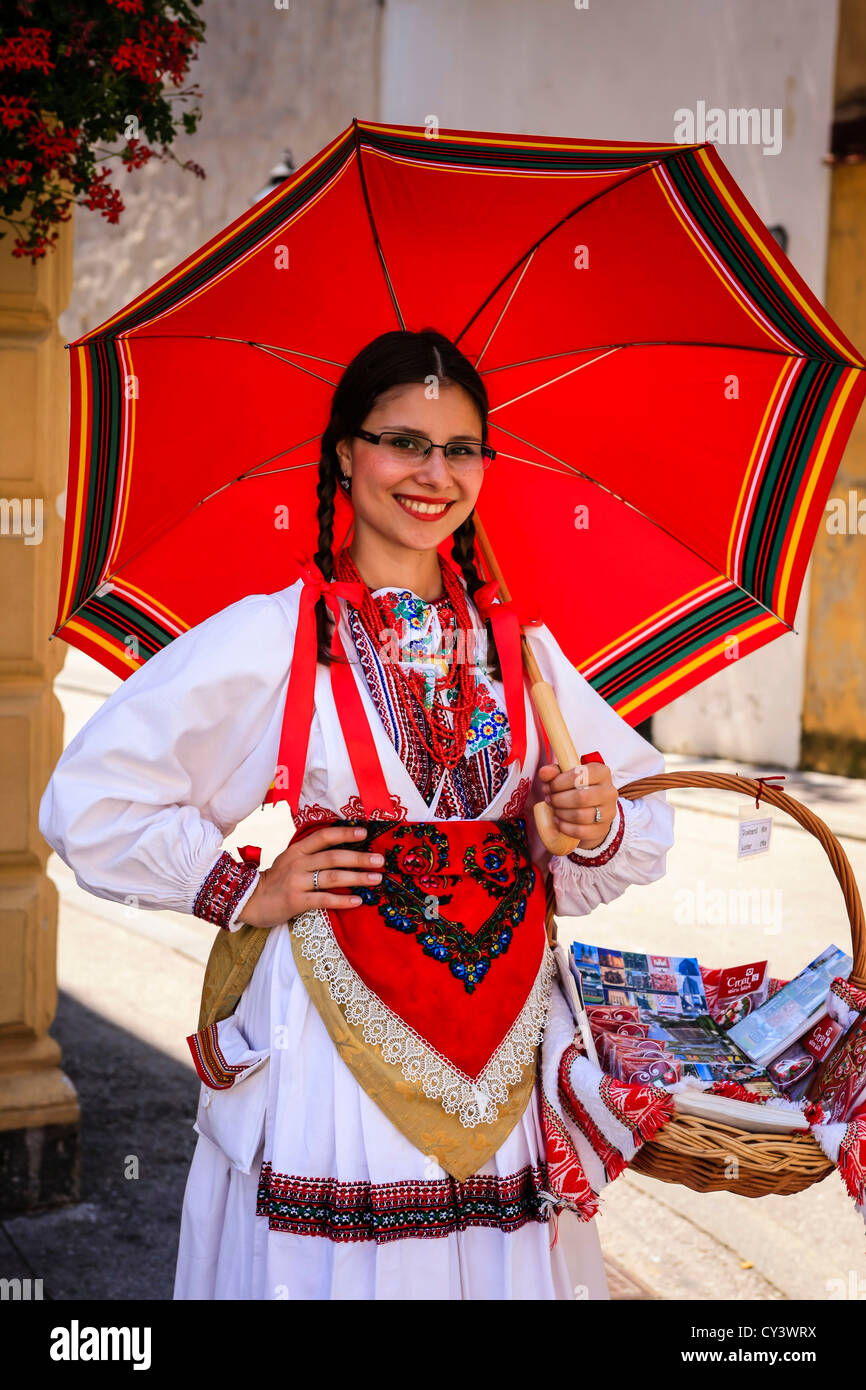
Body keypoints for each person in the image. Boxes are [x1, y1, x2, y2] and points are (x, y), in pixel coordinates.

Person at [39, 327, 674, 1301]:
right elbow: (90, 798)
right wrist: (243, 887)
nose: (433, 473)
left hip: (495, 1060)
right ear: (344, 452)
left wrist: (583, 821)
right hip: (333, 1065)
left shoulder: (520, 652)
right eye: (402, 441)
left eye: (459, 448)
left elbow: (637, 814)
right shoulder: (278, 636)